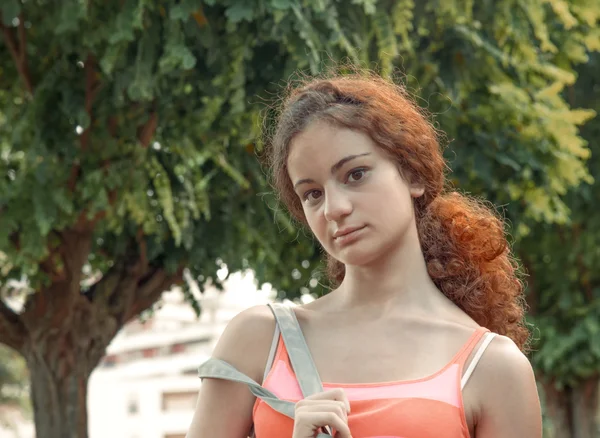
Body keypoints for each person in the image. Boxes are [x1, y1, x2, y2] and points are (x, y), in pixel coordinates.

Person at [186, 71, 542, 438]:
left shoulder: (493, 367)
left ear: (413, 175)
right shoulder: (259, 339)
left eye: (355, 174)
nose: (333, 208)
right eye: (312, 194)